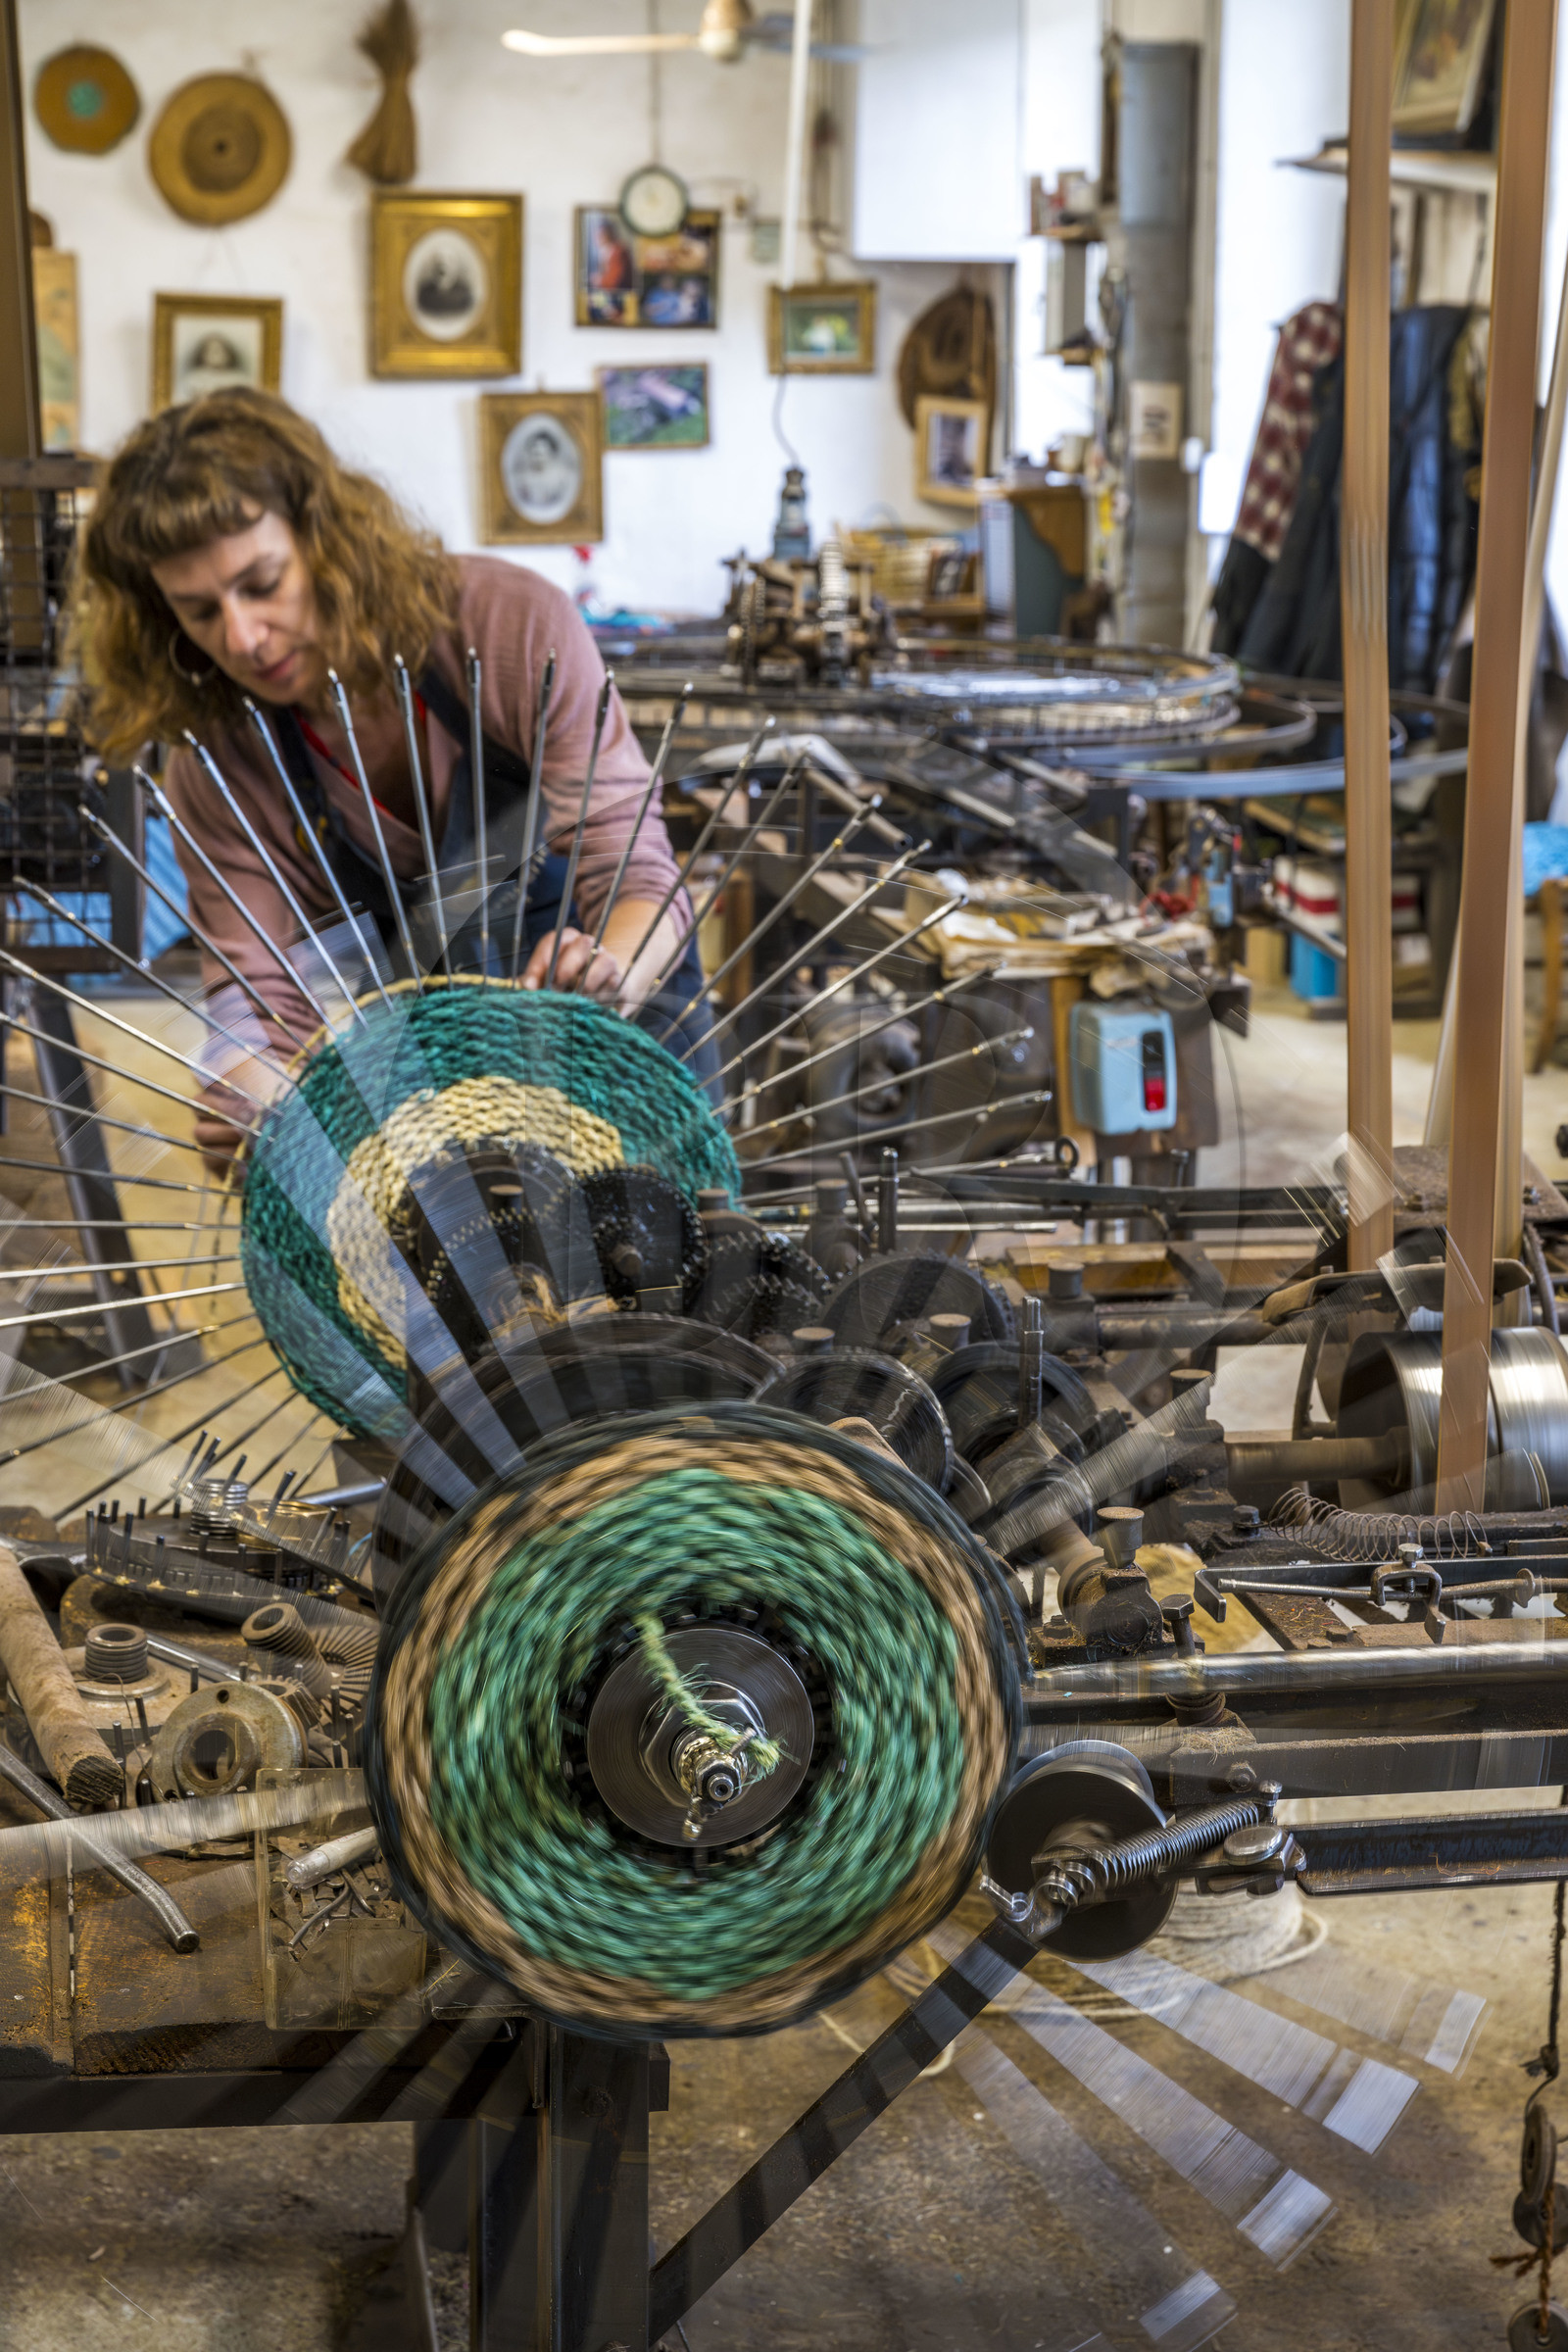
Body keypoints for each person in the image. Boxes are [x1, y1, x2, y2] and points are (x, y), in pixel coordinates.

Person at [74, 387, 699, 1167]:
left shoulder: (508, 629)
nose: (241, 636)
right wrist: (246, 1091)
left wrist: (613, 971)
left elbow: (637, 870)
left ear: (326, 540)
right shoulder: (220, 764)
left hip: (613, 1023)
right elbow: (259, 1002)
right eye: (200, 612)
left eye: (262, 584)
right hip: (429, 1070)